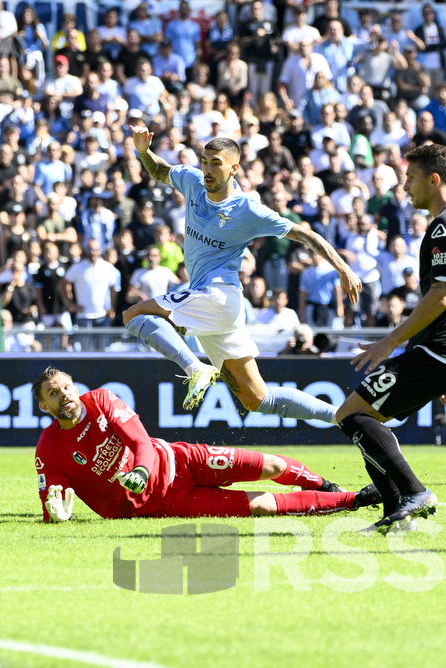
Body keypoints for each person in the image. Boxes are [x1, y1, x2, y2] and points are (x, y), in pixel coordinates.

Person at [125, 128, 362, 419]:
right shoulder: (192, 181)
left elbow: (304, 234)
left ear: (235, 168)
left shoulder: (248, 209)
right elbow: (160, 170)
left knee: (133, 315)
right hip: (219, 307)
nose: (208, 169)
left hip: (217, 294)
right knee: (256, 398)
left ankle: (193, 367)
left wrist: (342, 267)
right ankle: (344, 417)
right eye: (205, 161)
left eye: (216, 163)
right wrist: (143, 151)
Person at [33, 367, 377, 522]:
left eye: (65, 387)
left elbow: (139, 440)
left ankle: (323, 484)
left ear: (74, 388)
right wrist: (56, 515)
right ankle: (354, 499)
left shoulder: (102, 399)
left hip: (180, 460)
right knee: (262, 507)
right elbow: (52, 499)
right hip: (165, 504)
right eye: (53, 394)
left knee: (270, 466)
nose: (63, 396)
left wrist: (140, 469)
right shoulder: (48, 448)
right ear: (44, 407)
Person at [335, 143, 446, 534]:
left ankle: (413, 495)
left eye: (411, 178)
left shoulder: (443, 226)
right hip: (436, 352)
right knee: (367, 418)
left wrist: (389, 342)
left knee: (351, 414)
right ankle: (397, 513)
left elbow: (440, 296)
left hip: (439, 350)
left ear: (434, 180)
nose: (405, 186)